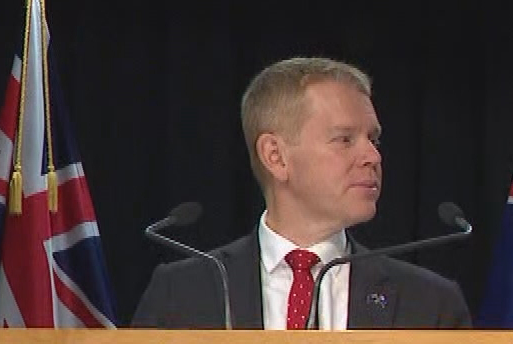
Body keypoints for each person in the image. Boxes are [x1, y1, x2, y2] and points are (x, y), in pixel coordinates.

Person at [132, 56, 471, 329]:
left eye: (373, 139)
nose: (373, 156)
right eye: (345, 139)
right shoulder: (181, 293)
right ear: (276, 157)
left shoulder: (431, 303)